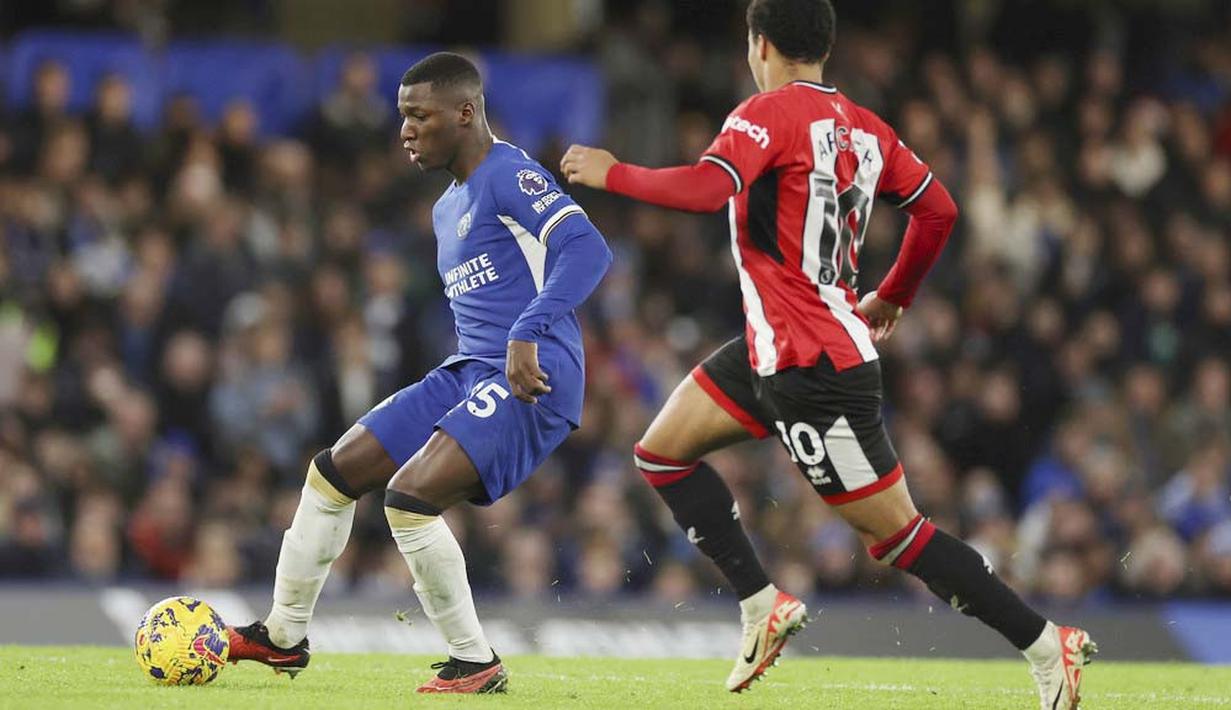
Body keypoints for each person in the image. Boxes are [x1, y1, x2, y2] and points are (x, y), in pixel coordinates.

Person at [561, 0, 1095, 706]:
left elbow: (705, 188)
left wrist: (612, 172)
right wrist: (894, 294)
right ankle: (760, 604)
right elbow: (938, 210)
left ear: (760, 45)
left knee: (900, 539)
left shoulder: (764, 114)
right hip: (773, 349)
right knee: (660, 453)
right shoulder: (864, 127)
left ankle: (1043, 643)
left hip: (812, 370)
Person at [226, 52, 612, 694]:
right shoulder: (445, 207)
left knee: (409, 499)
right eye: (402, 116)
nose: (405, 130)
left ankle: (474, 662)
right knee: (333, 473)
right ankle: (283, 637)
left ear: (464, 113)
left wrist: (527, 329)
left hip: (534, 375)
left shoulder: (510, 173)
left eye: (418, 116)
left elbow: (588, 248)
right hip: (469, 369)